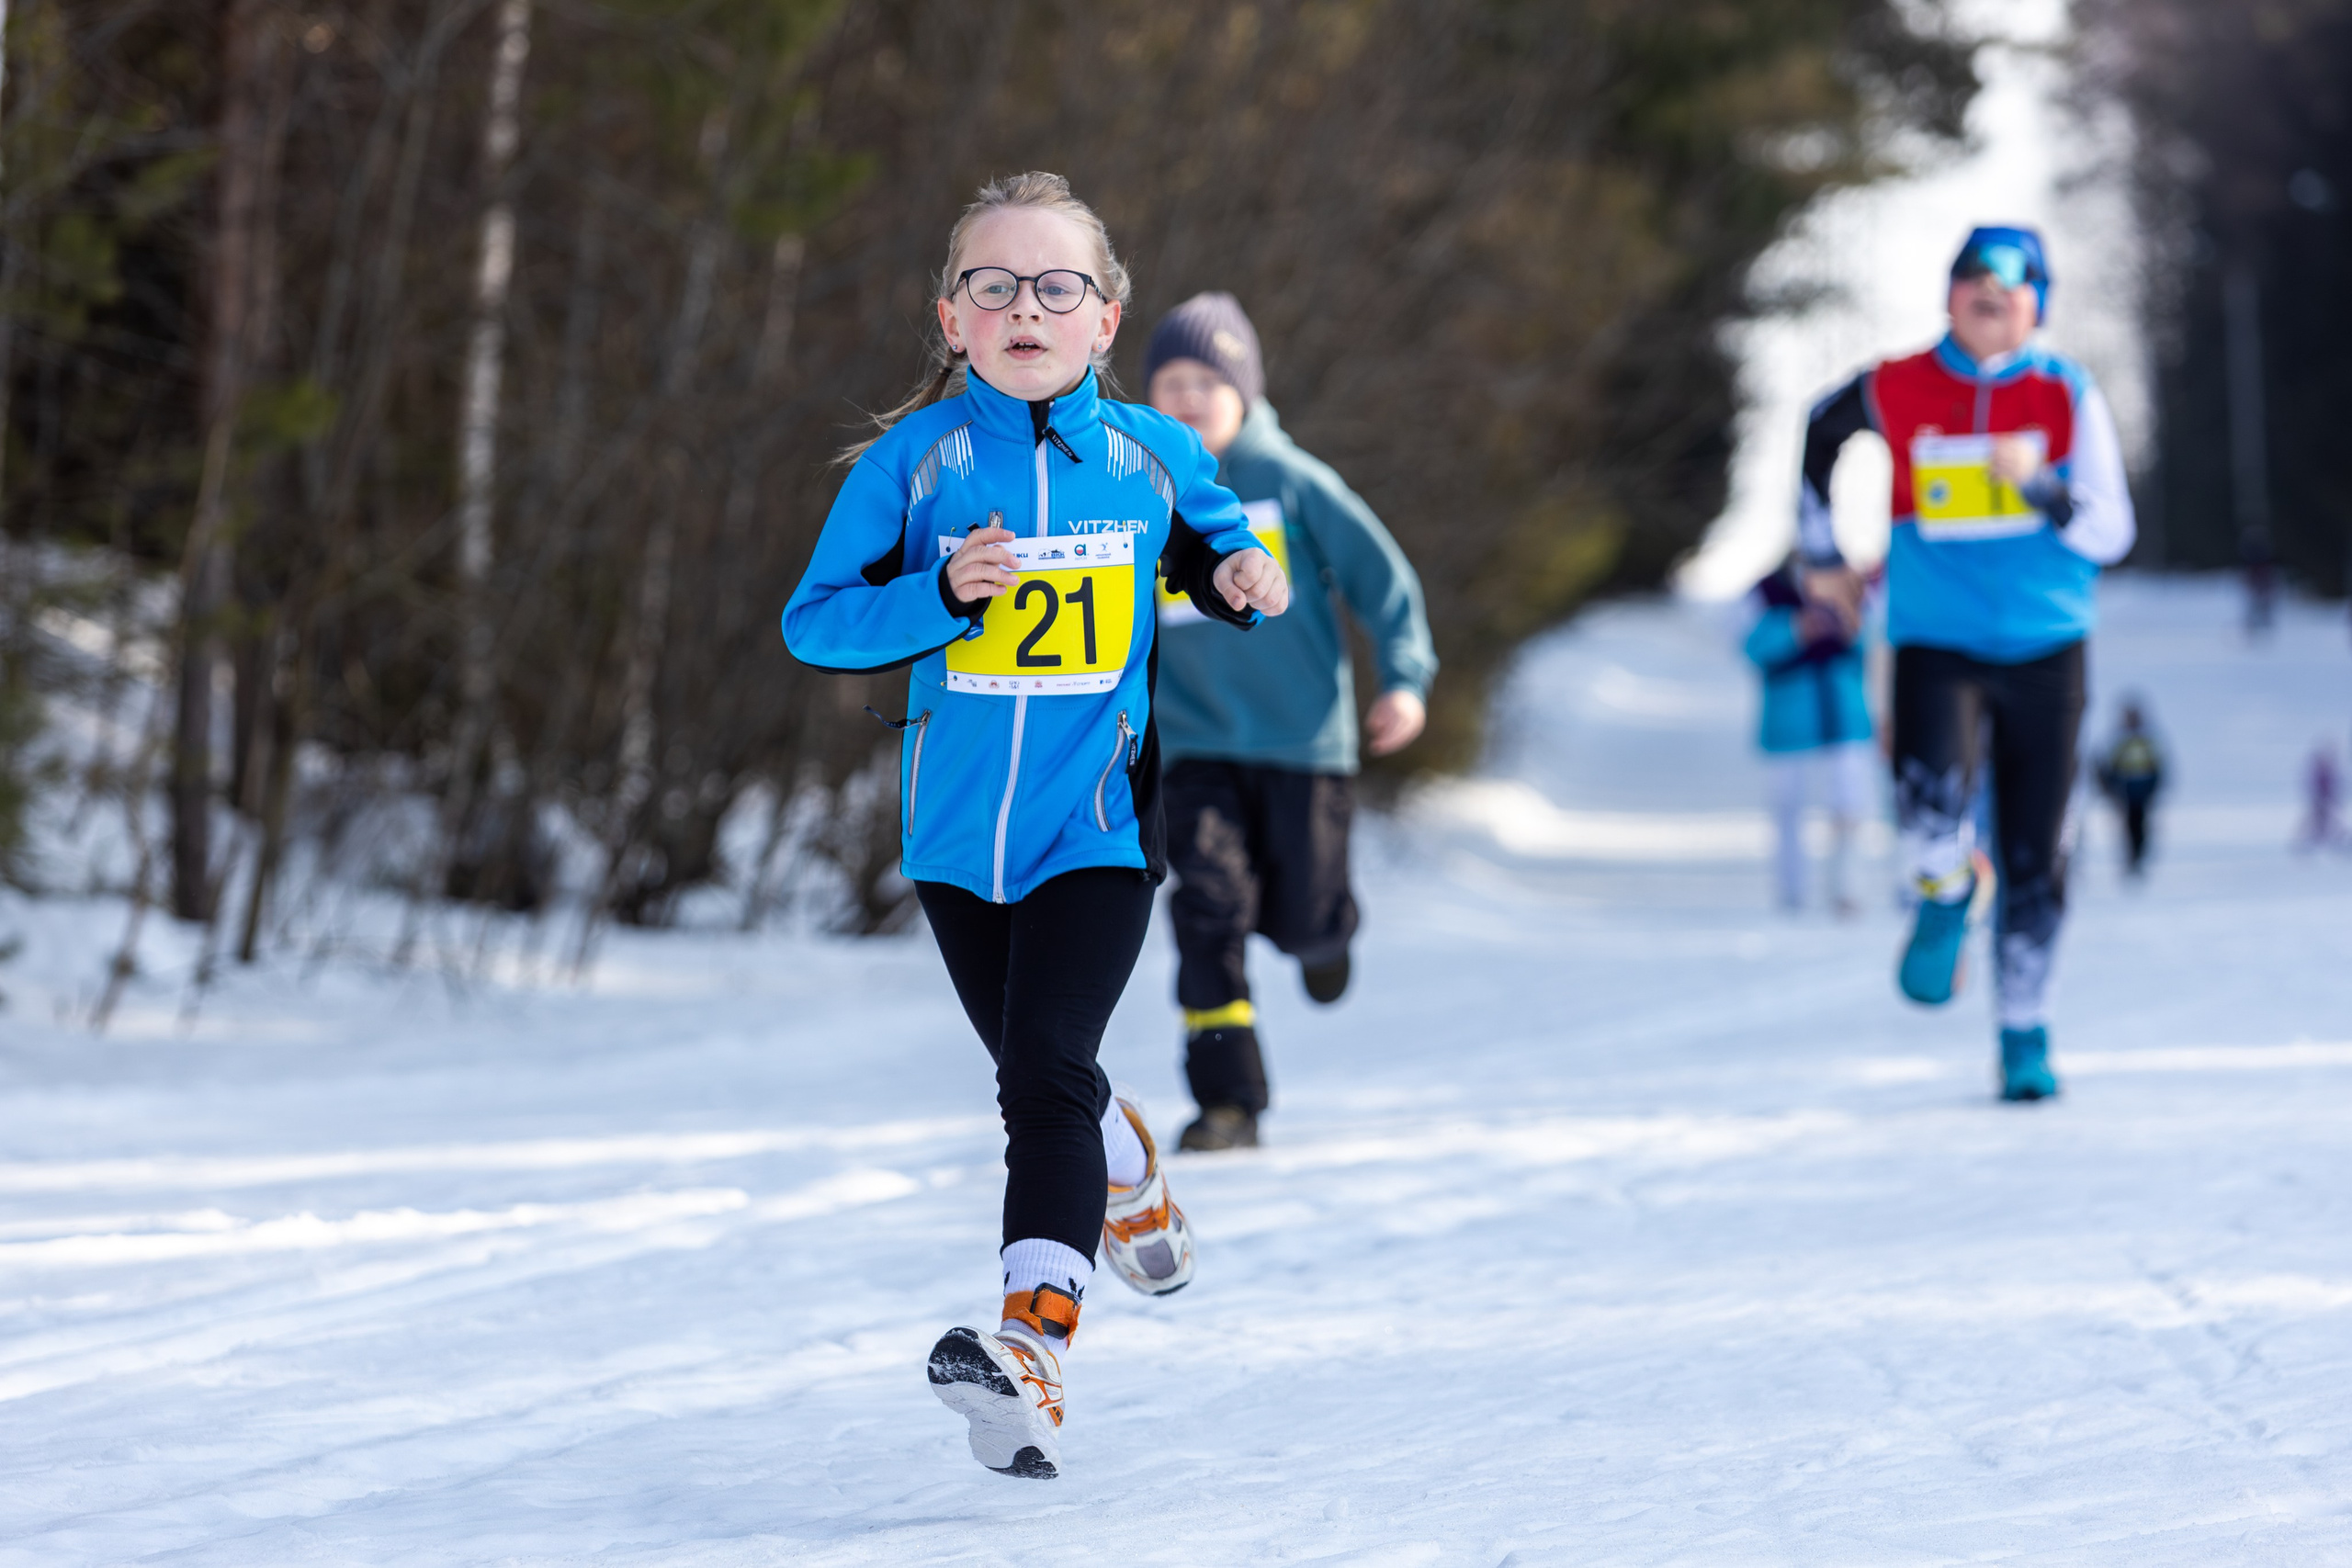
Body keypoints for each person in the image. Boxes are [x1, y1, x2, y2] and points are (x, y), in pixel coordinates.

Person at [782, 174, 1290, 1479]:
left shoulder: (1154, 453)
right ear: (950, 318)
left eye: (1057, 286)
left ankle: (1035, 1347)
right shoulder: (915, 466)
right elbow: (818, 616)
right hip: (956, 840)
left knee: (1036, 1074)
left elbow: (1211, 549)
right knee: (1052, 1073)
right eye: (994, 286)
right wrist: (943, 592)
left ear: (1106, 317)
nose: (1026, 307)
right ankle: (1129, 1161)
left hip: (1096, 824)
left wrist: (1241, 578)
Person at [1798, 225, 2134, 1102]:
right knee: (1928, 806)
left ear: (2039, 305)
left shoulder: (2066, 391)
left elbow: (2114, 531)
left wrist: (2047, 489)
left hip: (2045, 645)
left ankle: (2025, 1033)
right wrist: (1821, 551)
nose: (1992, 295)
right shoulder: (1900, 384)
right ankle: (1944, 890)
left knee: (2035, 853)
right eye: (1974, 281)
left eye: (2013, 286)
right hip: (1935, 637)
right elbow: (1818, 435)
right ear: (1949, 296)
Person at [1142, 293, 1438, 1152]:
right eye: (1171, 382)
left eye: (1208, 379)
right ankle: (1229, 1098)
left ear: (1245, 389)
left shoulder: (1292, 482)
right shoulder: (1145, 494)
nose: (1189, 397)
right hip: (1193, 746)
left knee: (1302, 915)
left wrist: (1406, 681)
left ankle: (1326, 932)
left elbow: (1385, 583)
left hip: (1303, 744)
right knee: (1207, 908)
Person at [1737, 557, 1875, 915]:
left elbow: (1873, 643)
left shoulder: (1852, 586)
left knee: (1849, 807)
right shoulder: (1768, 592)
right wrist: (1796, 630)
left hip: (1844, 717)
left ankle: (1846, 889)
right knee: (1789, 810)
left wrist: (1850, 625)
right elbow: (1750, 646)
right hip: (1790, 720)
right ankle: (1791, 891)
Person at [2094, 700, 2165, 876]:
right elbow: (2110, 767)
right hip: (2125, 793)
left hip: (2141, 794)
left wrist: (2153, 788)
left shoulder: (2146, 741)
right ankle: (2131, 857)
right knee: (2126, 827)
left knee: (2139, 825)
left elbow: (2157, 767)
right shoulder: (2120, 741)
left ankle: (2139, 857)